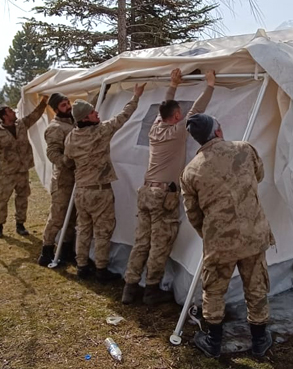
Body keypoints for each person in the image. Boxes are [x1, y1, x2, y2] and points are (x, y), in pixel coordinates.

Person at [181, 113, 274, 358]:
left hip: (219, 242)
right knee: (256, 286)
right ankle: (260, 340)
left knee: (213, 290)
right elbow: (259, 175)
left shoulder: (191, 171)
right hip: (254, 235)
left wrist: (211, 235)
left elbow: (193, 213)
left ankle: (213, 341)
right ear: (218, 131)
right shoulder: (244, 149)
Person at [122, 68, 215, 306]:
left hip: (145, 192)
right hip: (163, 195)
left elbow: (165, 105)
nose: (182, 115)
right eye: (180, 114)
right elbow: (197, 111)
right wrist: (210, 85)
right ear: (176, 117)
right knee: (159, 244)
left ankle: (130, 287)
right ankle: (151, 289)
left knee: (141, 241)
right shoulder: (177, 132)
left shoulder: (155, 128)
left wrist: (173, 84)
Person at [64, 83, 145, 281]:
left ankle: (82, 266)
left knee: (83, 229)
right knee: (102, 231)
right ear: (85, 118)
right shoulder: (100, 132)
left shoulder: (71, 137)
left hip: (81, 190)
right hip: (99, 191)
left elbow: (67, 159)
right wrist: (136, 96)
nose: (97, 113)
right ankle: (101, 269)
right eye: (92, 113)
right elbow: (123, 117)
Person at [0, 98, 49, 237]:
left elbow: (35, 115)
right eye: (11, 111)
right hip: (8, 172)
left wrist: (43, 102)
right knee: (2, 199)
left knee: (22, 198)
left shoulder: (22, 124)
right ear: (5, 116)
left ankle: (20, 225)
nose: (14, 113)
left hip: (23, 170)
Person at [38, 93, 79, 266]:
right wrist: (67, 162)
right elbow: (52, 153)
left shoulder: (73, 123)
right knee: (58, 217)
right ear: (55, 109)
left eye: (68, 103)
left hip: (76, 179)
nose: (68, 107)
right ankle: (46, 251)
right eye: (63, 105)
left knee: (72, 217)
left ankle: (66, 251)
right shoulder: (56, 127)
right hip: (63, 180)